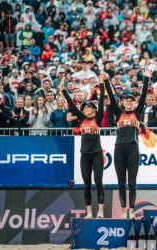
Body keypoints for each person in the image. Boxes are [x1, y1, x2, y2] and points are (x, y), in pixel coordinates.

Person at [103, 68, 151, 219]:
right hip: (119, 149)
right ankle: (124, 211)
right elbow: (111, 96)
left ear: (134, 103)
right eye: (126, 101)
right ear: (123, 102)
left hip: (133, 148)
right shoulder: (119, 113)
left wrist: (146, 78)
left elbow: (143, 98)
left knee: (132, 182)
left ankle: (131, 210)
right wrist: (106, 81)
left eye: (131, 101)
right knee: (121, 182)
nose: (129, 103)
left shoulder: (137, 113)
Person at [59, 77, 105, 219]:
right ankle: (89, 212)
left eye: (88, 108)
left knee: (98, 182)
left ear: (93, 110)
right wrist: (63, 90)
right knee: (87, 184)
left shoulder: (97, 118)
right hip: (84, 154)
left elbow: (102, 100)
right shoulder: (81, 119)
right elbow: (72, 106)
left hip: (97, 154)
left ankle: (101, 212)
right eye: (84, 108)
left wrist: (102, 85)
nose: (85, 109)